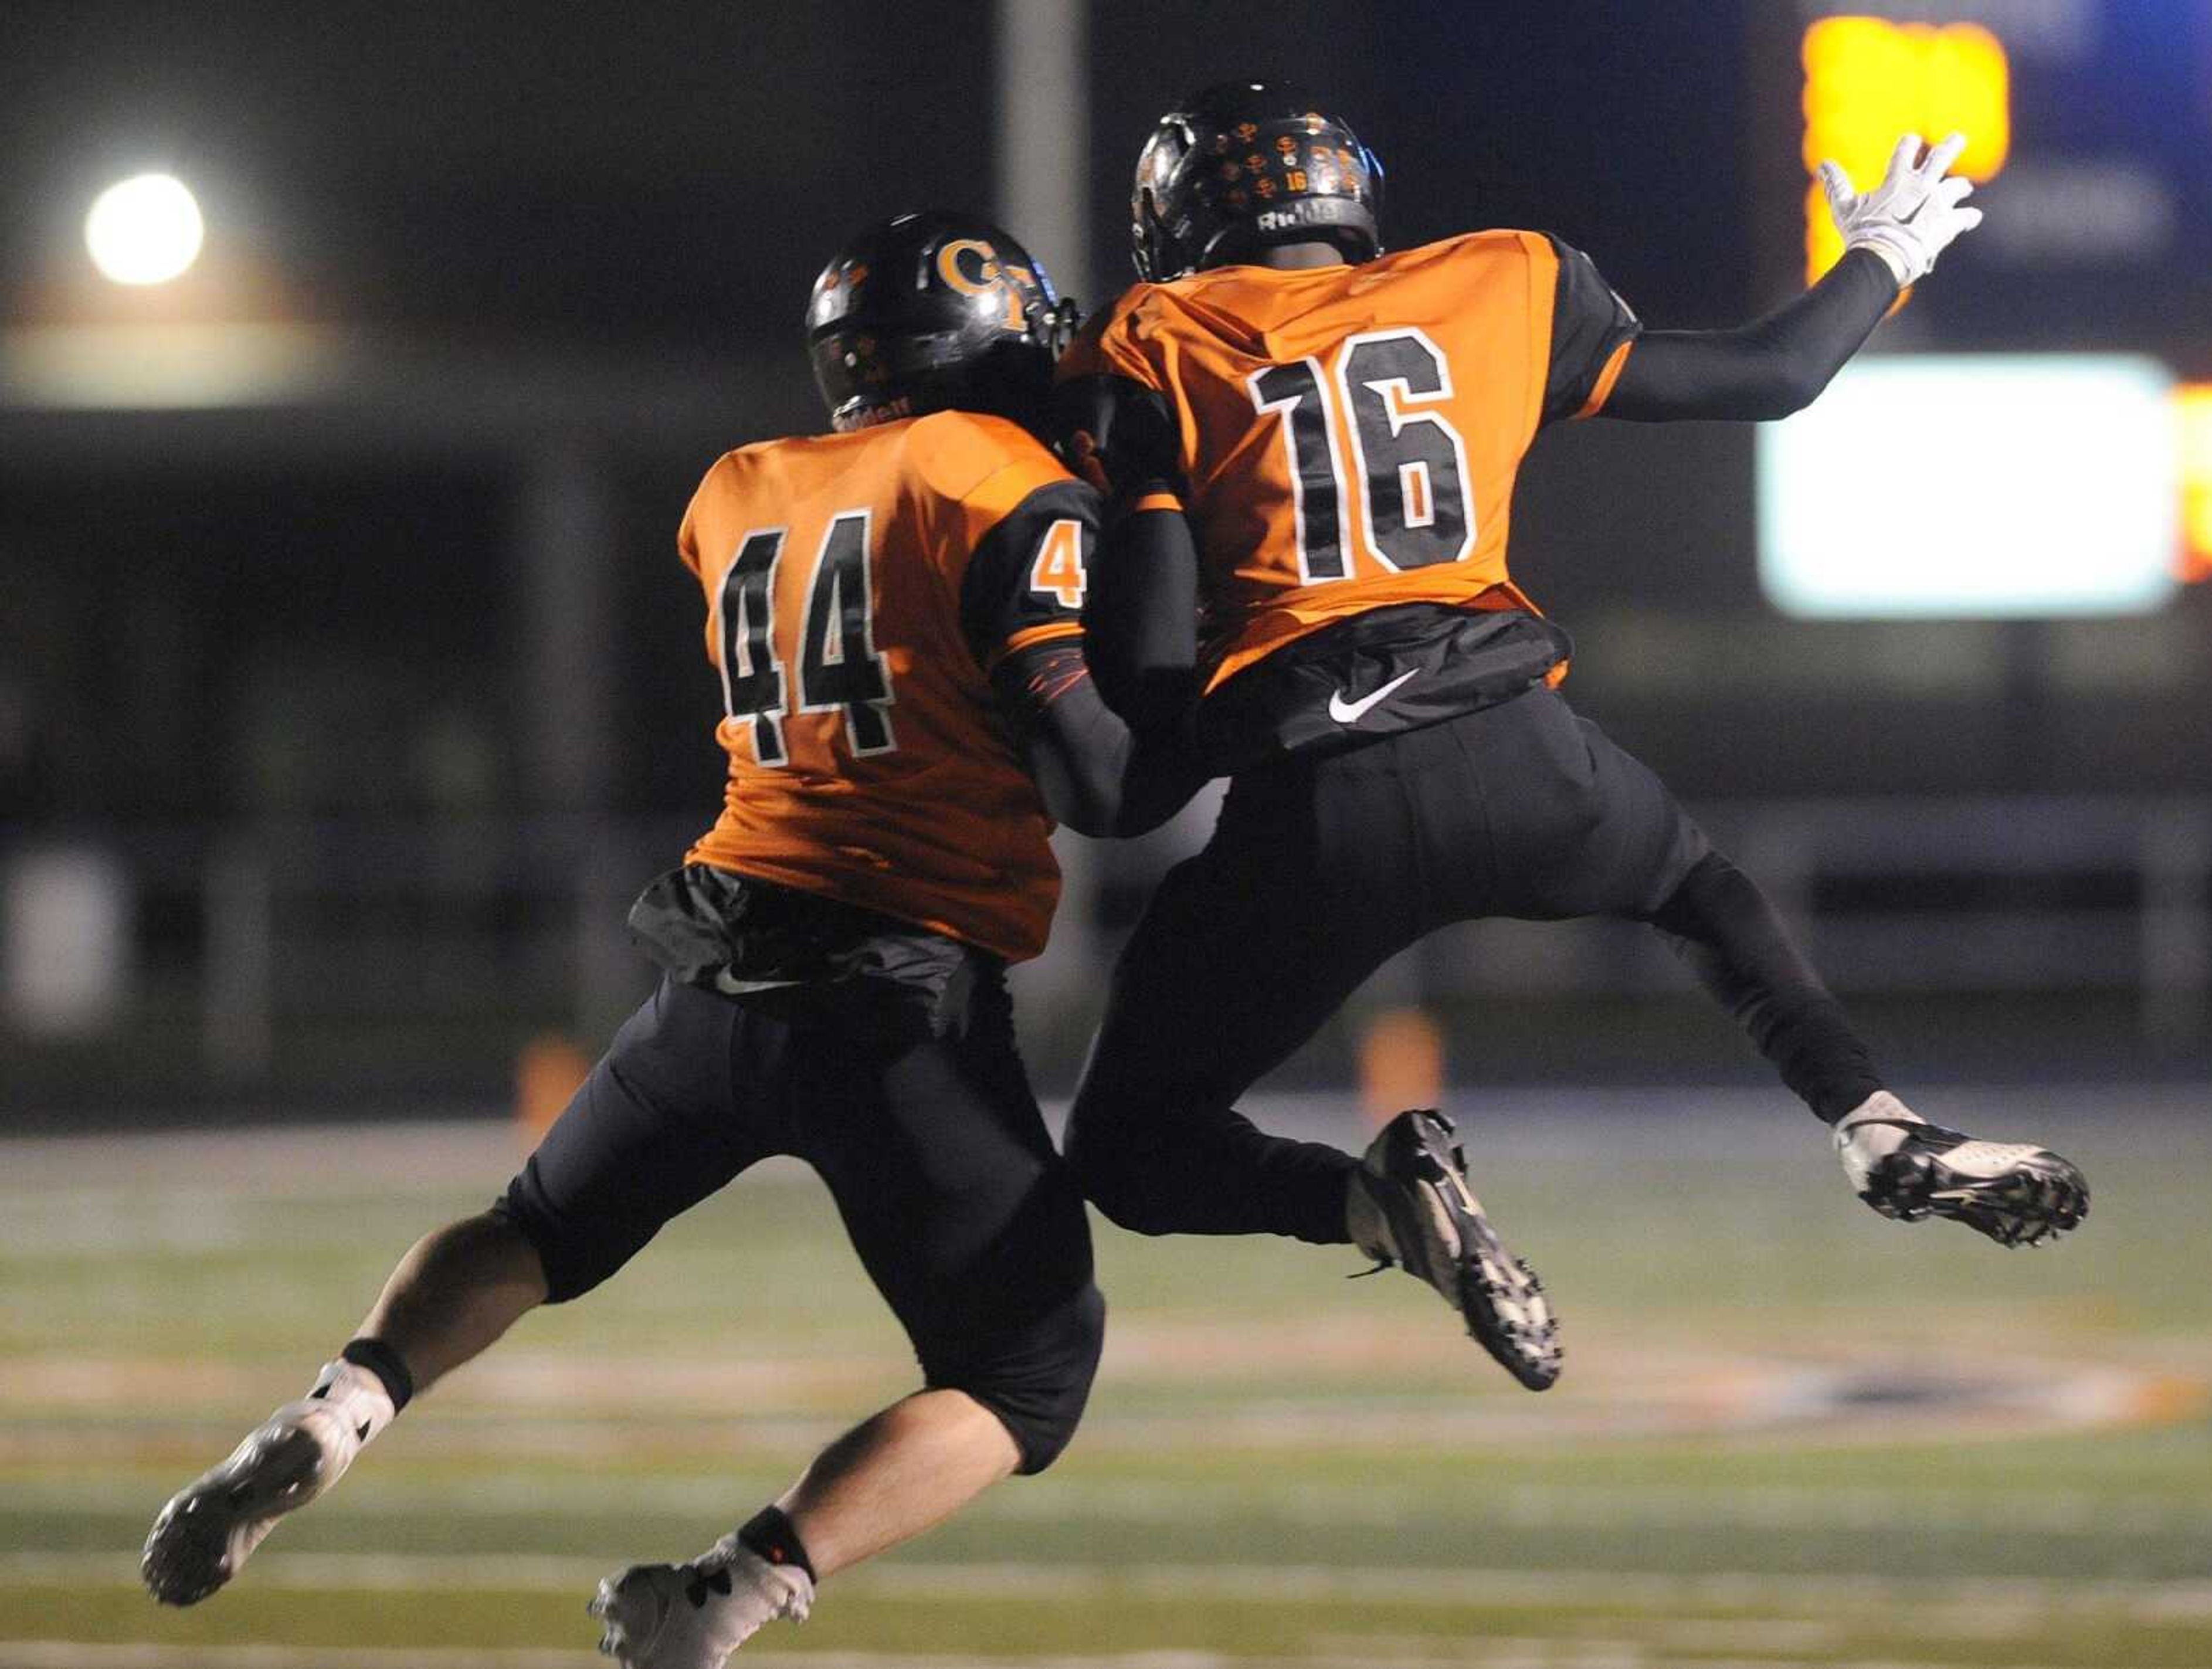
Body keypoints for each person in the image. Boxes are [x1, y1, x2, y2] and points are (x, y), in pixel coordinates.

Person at [140, 211, 1205, 1669]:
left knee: (533, 1229)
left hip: (717, 966)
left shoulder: (738, 491)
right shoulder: (1006, 485)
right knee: (1029, 1373)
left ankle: (341, 1404)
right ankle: (730, 1589)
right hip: (902, 994)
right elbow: (1098, 785)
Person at [1050, 81, 2089, 1393]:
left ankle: (1382, 1205)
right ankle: (1874, 1122)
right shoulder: (1498, 278)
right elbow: (1771, 375)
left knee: (1129, 1147)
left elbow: (1144, 670)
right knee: (1700, 891)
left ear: (1177, 221)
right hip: (1523, 752)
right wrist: (1885, 253)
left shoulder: (1154, 336)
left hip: (1321, 798)